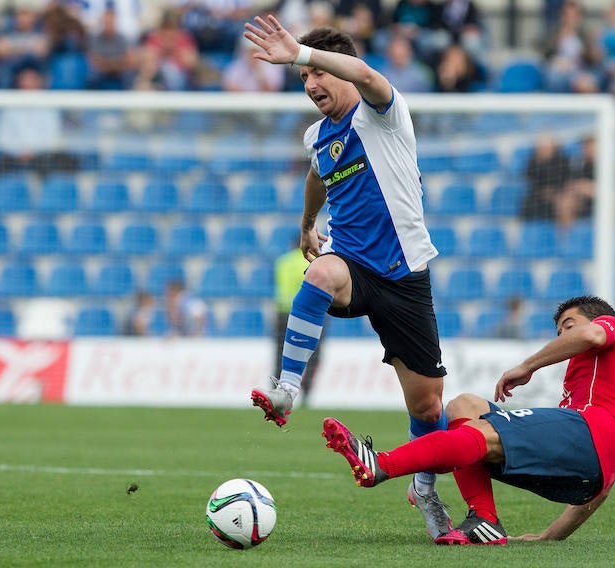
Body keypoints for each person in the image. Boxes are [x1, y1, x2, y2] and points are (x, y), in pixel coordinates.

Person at [244, 14, 451, 540]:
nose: (310, 85)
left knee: (427, 405)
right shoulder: (318, 135)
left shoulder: (384, 112)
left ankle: (424, 486)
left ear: (335, 71)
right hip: (353, 267)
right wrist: (307, 222)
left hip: (405, 276)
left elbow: (363, 71)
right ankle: (288, 388)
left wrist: (300, 52)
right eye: (302, 80)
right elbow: (317, 173)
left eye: (315, 75)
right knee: (321, 274)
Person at [323, 295, 615, 545]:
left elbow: (592, 336)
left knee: (483, 430)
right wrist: (549, 537)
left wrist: (529, 365)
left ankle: (382, 465)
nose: (563, 335)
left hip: (587, 438)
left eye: (568, 326)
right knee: (465, 406)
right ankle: (485, 519)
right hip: (581, 477)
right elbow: (603, 486)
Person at [0, 66, 79, 176]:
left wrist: (33, 152)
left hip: (42, 156)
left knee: (56, 163)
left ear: (39, 81)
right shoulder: (9, 107)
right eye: (25, 79)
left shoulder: (49, 106)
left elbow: (53, 136)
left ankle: (47, 191)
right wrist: (20, 151)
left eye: (31, 79)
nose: (28, 84)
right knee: (1, 164)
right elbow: (3, 137)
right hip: (14, 156)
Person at [273, 244, 325, 405]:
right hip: (308, 313)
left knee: (281, 353)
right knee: (312, 354)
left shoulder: (283, 261)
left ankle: (276, 390)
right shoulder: (313, 261)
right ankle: (306, 392)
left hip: (283, 311)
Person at [521, 133, 571, 221]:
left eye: (547, 145)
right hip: (538, 195)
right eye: (542, 146)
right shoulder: (534, 161)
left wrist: (554, 190)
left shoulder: (562, 160)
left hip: (558, 193)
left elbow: (565, 178)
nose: (545, 148)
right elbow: (530, 177)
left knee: (564, 203)